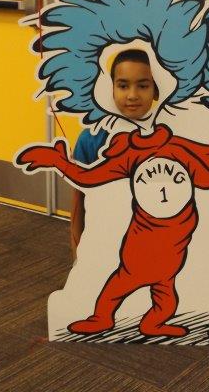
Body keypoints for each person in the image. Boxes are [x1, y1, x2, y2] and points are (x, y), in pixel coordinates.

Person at [69, 49, 157, 259]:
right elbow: (78, 205)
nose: (133, 95)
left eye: (143, 86)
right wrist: (77, 259)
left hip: (154, 248)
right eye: (123, 86)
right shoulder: (91, 139)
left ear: (155, 89)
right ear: (111, 88)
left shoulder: (170, 137)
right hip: (105, 245)